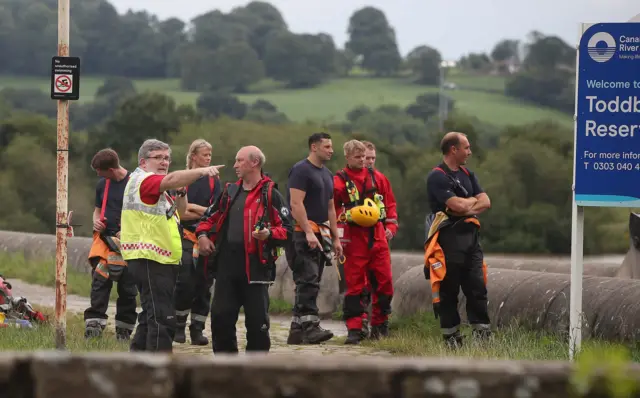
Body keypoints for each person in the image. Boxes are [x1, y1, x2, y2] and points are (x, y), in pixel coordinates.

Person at [120, 138, 224, 352]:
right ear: (142, 161)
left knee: (150, 318)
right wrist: (203, 171)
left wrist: (182, 193)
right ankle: (158, 373)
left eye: (167, 158)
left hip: (158, 260)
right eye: (157, 158)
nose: (164, 162)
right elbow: (173, 177)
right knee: (163, 319)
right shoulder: (145, 180)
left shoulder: (157, 187)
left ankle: (135, 367)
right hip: (150, 259)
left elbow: (182, 211)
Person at [196, 146, 292, 354]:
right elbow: (207, 219)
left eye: (239, 161)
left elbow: (288, 229)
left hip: (257, 269)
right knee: (220, 319)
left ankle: (254, 371)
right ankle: (225, 369)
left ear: (254, 163)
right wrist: (202, 236)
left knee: (258, 324)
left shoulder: (272, 195)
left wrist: (269, 234)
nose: (235, 165)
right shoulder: (229, 192)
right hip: (226, 267)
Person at [424, 131, 492, 349]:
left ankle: (482, 336)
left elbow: (486, 202)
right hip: (448, 240)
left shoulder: (468, 174)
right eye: (467, 148)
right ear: (454, 149)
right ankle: (452, 339)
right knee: (449, 290)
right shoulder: (437, 176)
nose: (470, 152)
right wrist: (471, 203)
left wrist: (466, 204)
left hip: (471, 239)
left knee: (477, 287)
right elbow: (459, 206)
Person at [333, 140, 398, 344]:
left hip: (378, 238)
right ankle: (355, 327)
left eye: (365, 157)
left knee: (385, 283)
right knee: (355, 286)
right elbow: (330, 208)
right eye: (358, 157)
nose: (363, 161)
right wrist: (346, 217)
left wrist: (390, 228)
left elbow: (390, 206)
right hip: (354, 241)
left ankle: (380, 324)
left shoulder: (378, 178)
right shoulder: (338, 181)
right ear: (347, 157)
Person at [285, 132, 343, 345]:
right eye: (327, 146)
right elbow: (296, 204)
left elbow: (330, 208)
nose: (331, 150)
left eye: (331, 146)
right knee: (307, 279)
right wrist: (308, 231)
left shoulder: (327, 174)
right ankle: (310, 326)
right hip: (302, 233)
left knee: (311, 280)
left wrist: (336, 238)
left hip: (322, 233)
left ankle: (297, 330)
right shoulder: (301, 170)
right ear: (314, 147)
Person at [83, 148, 137, 341]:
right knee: (99, 284)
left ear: (111, 169)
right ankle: (94, 327)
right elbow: (97, 210)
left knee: (128, 289)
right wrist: (96, 220)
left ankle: (124, 331)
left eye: (99, 170)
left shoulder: (135, 184)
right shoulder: (102, 185)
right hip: (106, 243)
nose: (98, 174)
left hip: (129, 245)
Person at [173, 139, 221, 346]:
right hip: (183, 236)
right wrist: (202, 211)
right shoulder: (181, 178)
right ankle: (178, 325)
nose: (208, 159)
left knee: (204, 284)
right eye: (204, 155)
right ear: (193, 156)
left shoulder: (214, 181)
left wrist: (196, 209)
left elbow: (216, 211)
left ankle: (198, 329)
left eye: (210, 155)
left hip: (207, 237)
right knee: (184, 282)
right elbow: (179, 213)